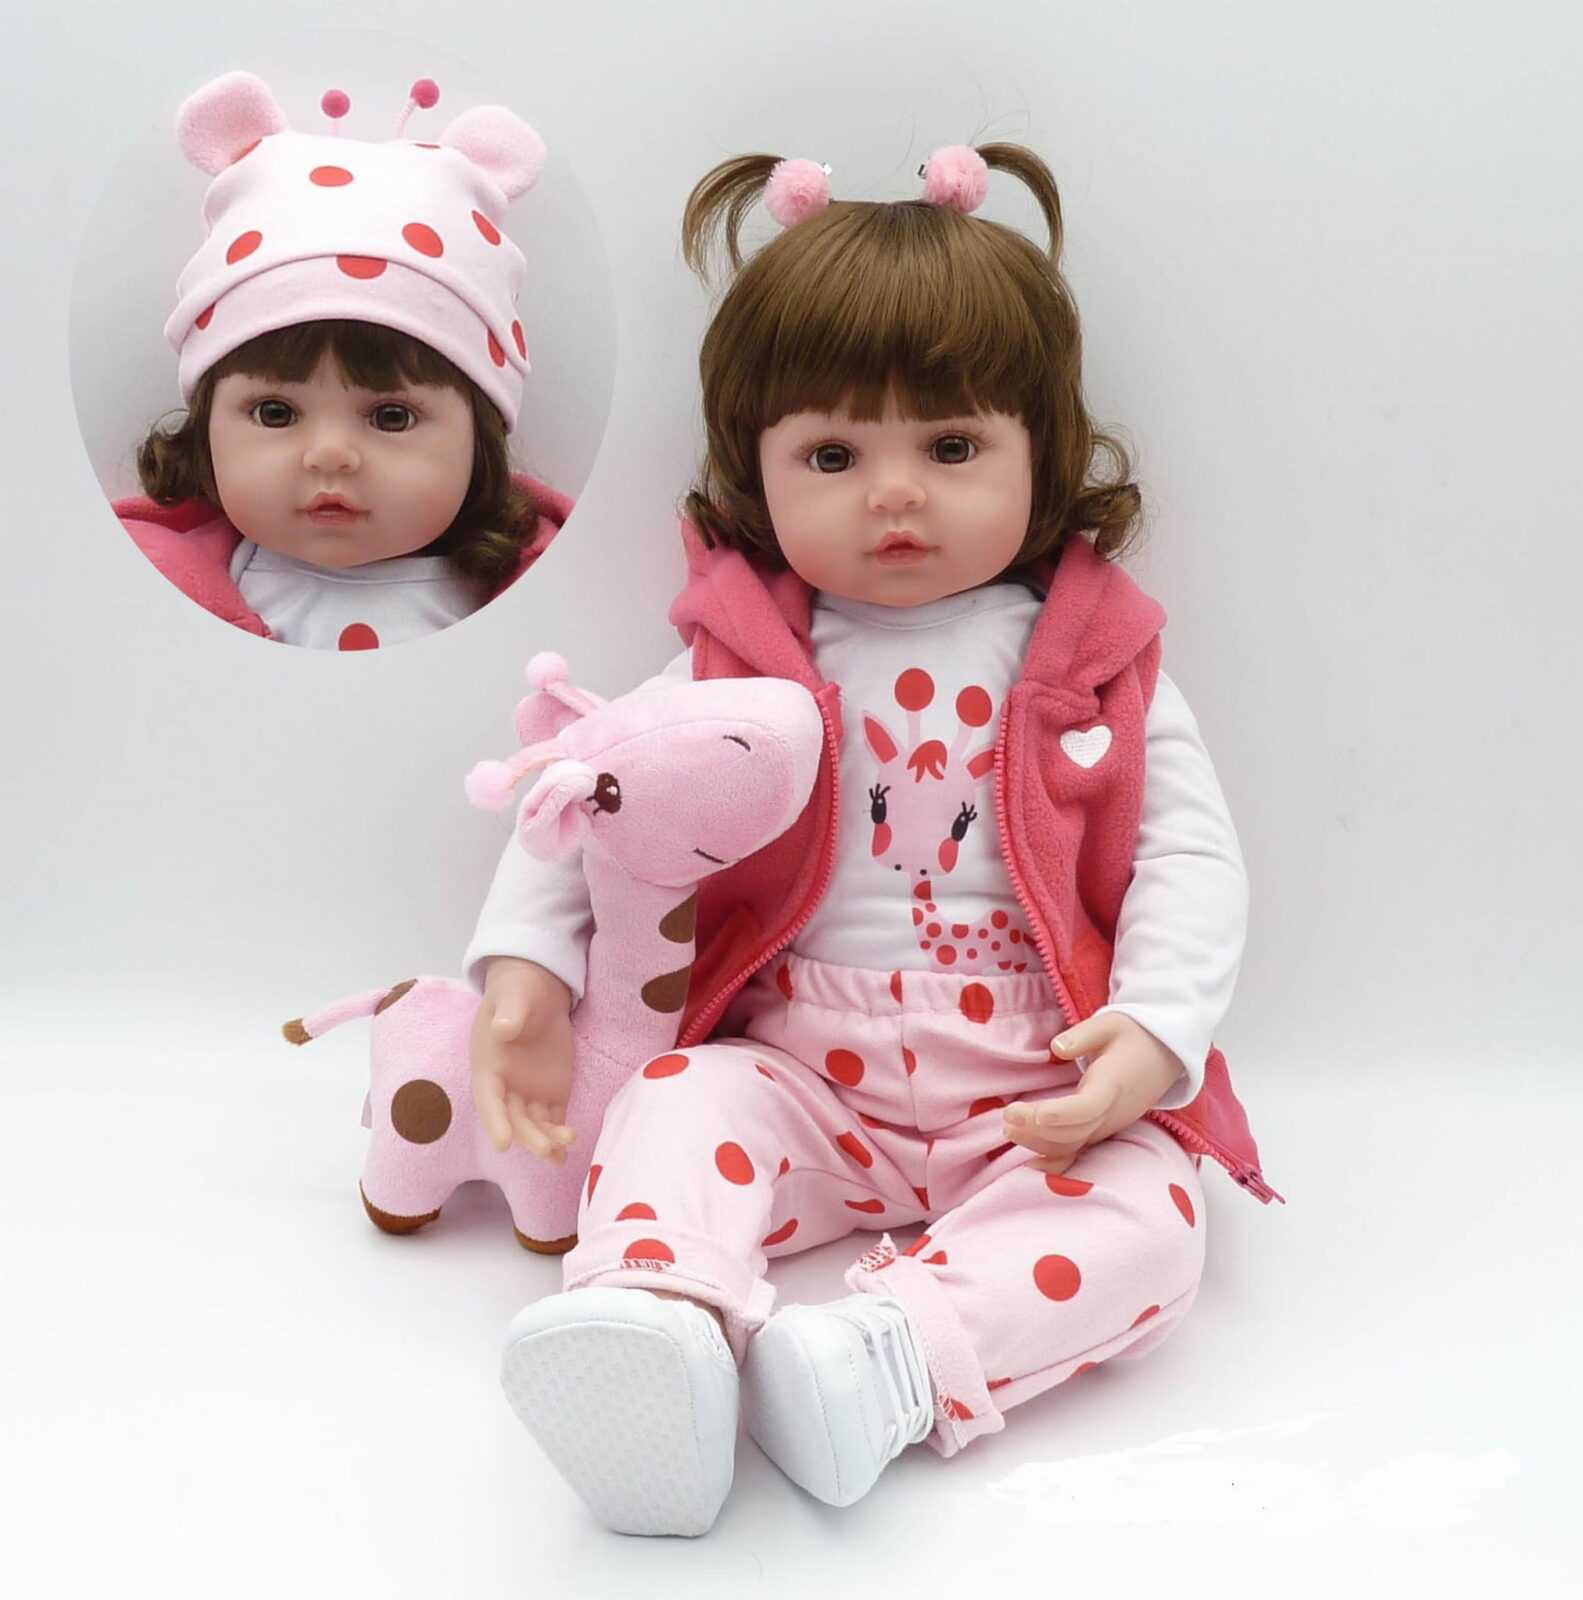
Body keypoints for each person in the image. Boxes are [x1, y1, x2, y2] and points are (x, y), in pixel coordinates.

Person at [465, 144, 1279, 1537]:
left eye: (949, 449)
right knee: (678, 1100)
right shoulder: (745, 662)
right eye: (832, 456)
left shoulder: (1093, 664)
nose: (892, 494)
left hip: (1033, 1086)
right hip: (799, 1077)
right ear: (756, 470)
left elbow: (1187, 860)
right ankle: (654, 1326)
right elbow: (591, 791)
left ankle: (880, 1362)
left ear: (1040, 453)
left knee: (1153, 1220)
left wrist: (1154, 1033)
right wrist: (524, 973)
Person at [113, 70, 569, 650]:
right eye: (275, 413)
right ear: (205, 429)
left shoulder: (551, 605)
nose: (330, 454)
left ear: (479, 439)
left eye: (391, 416)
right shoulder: (146, 597)